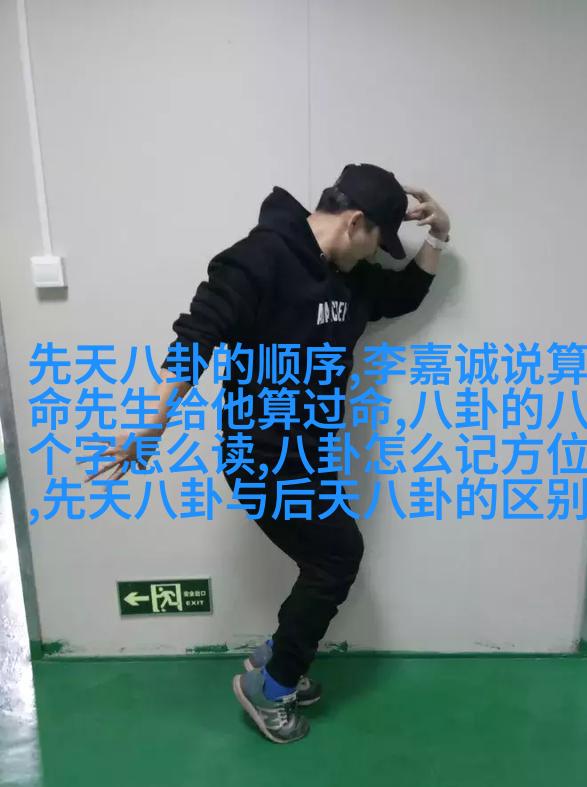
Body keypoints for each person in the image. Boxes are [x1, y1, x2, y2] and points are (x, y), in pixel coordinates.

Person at [85, 163, 451, 744]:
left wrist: (439, 237)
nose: (376, 255)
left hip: (309, 454)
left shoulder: (350, 277)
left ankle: (276, 659)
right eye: (376, 242)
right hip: (260, 457)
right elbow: (196, 337)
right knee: (337, 559)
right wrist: (151, 425)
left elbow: (404, 295)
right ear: (354, 222)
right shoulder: (258, 259)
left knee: (328, 561)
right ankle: (271, 685)